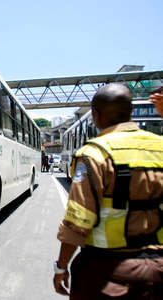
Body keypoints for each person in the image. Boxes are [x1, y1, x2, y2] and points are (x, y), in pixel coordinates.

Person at [53, 83, 162, 299]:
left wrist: (61, 267)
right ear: (130, 112)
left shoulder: (93, 154)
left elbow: (78, 221)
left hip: (107, 272)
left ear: (96, 116)